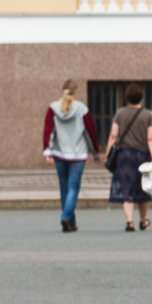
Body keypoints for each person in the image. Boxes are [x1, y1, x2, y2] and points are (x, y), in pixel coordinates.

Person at [42, 80, 98, 233]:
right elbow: (90, 131)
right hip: (78, 154)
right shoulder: (81, 109)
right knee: (73, 188)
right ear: (75, 92)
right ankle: (66, 217)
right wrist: (95, 151)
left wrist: (47, 150)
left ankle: (71, 223)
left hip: (59, 153)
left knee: (64, 188)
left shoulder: (53, 108)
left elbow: (48, 130)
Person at [104, 84, 152, 232]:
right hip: (143, 155)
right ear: (141, 97)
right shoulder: (149, 115)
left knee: (127, 188)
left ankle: (129, 221)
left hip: (124, 155)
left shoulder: (119, 113)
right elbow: (151, 138)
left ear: (127, 97)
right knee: (143, 188)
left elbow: (114, 135)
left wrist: (108, 152)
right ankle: (143, 220)